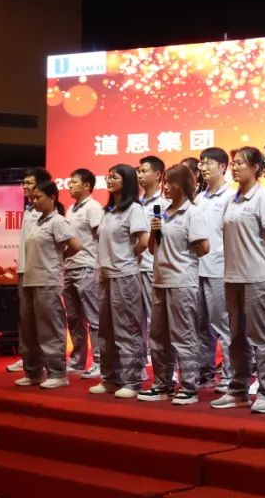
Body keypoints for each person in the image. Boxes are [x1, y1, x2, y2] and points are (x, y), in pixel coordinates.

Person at [210, 147, 265, 413]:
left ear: (256, 168)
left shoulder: (262, 198)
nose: (235, 167)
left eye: (241, 163)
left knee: (262, 338)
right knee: (236, 337)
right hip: (233, 277)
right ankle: (238, 390)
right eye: (234, 163)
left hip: (258, 278)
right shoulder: (231, 200)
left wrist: (261, 248)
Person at [139, 164, 210, 405]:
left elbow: (204, 247)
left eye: (170, 182)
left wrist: (182, 258)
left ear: (182, 185)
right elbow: (152, 248)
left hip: (182, 282)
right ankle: (163, 384)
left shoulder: (192, 212)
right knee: (158, 336)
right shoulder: (162, 212)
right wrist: (154, 230)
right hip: (160, 280)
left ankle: (189, 386)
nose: (166, 187)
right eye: (165, 182)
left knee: (184, 335)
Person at [90, 164, 151, 399]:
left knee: (127, 329)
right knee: (105, 331)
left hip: (125, 276)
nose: (109, 179)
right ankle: (110, 378)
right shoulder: (108, 211)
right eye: (108, 176)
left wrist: (129, 257)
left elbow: (143, 241)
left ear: (127, 181)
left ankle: (132, 381)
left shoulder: (134, 209)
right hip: (105, 275)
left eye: (115, 177)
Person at [15, 179, 81, 389]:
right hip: (29, 280)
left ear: (52, 198)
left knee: (50, 329)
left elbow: (75, 245)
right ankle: (33, 372)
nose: (34, 201)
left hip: (48, 281)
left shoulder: (57, 221)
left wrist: (58, 259)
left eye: (39, 197)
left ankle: (57, 373)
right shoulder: (36, 221)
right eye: (33, 198)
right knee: (29, 330)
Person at [7, 167, 52, 374]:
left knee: (43, 320)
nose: (24, 186)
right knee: (25, 318)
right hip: (24, 269)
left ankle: (49, 363)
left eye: (29, 183)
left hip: (41, 272)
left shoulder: (48, 213)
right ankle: (28, 359)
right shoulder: (28, 210)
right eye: (23, 183)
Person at [197, 147, 233, 391]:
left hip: (220, 269)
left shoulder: (230, 196)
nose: (204, 167)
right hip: (197, 269)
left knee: (224, 325)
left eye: (209, 163)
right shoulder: (199, 198)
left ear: (223, 167)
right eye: (202, 163)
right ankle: (205, 373)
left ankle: (230, 376)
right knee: (201, 327)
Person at [64, 168, 104, 379]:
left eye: (74, 182)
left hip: (87, 267)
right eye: (69, 182)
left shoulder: (93, 207)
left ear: (87, 185)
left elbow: (101, 237)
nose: (69, 185)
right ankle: (77, 360)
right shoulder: (70, 209)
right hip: (69, 267)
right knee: (73, 318)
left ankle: (99, 361)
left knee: (93, 317)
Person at [137, 155, 170, 370]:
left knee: (156, 319)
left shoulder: (165, 203)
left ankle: (164, 364)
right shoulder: (135, 203)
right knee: (135, 319)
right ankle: (140, 361)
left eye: (144, 171)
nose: (140, 175)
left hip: (154, 267)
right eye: (138, 172)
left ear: (158, 175)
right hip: (134, 268)